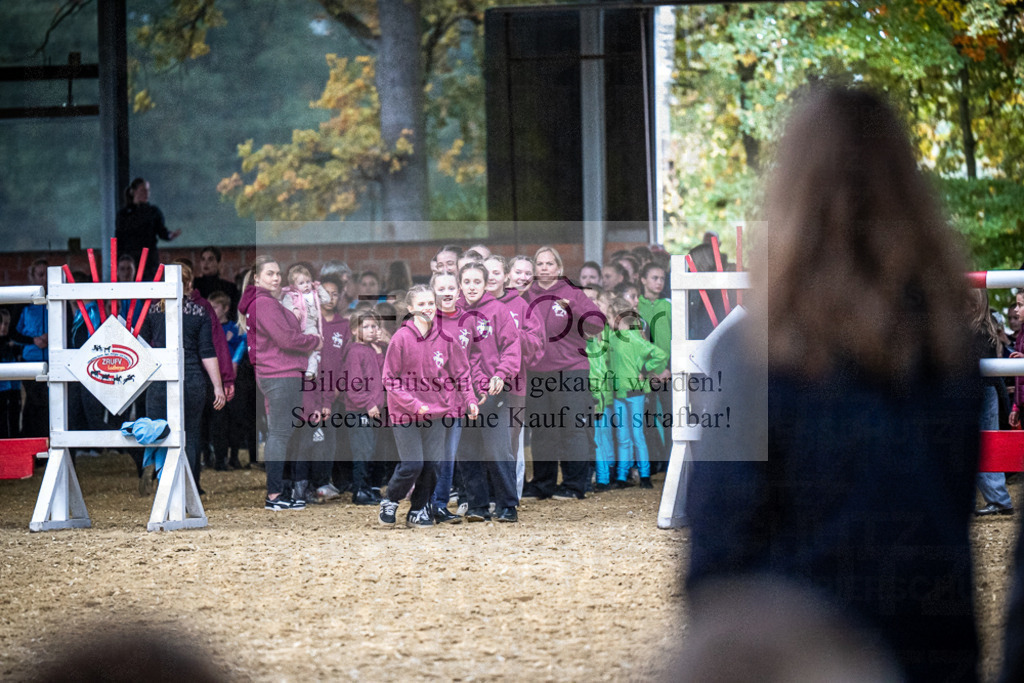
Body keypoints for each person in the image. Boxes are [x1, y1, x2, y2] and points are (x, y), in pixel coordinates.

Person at [685, 86, 981, 682]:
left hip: (799, 656)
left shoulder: (751, 355)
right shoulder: (952, 350)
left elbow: (717, 560)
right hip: (935, 654)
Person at [378, 286, 478, 528]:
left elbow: (461, 372)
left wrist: (470, 400)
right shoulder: (401, 338)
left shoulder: (446, 338)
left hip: (437, 411)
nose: (427, 309)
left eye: (430, 303)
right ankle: (390, 500)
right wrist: (413, 404)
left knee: (433, 465)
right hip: (405, 413)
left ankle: (418, 509)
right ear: (411, 309)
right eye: (421, 304)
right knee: (413, 464)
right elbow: (389, 379)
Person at [238, 256, 322, 510]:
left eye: (278, 274)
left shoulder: (265, 303)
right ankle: (274, 494)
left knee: (282, 433)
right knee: (280, 433)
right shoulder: (264, 304)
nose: (276, 278)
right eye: (270, 273)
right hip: (280, 373)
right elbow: (287, 340)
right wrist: (313, 341)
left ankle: (278, 491)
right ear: (256, 278)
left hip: (278, 372)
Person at [522, 246, 605, 500]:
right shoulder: (525, 296)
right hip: (537, 371)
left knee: (572, 428)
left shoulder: (573, 293)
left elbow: (598, 322)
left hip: (571, 370)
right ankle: (542, 483)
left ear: (559, 268)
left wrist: (574, 309)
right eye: (539, 263)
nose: (544, 267)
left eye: (549, 263)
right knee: (542, 429)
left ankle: (574, 484)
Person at [140, 263, 226, 496]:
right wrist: (218, 386)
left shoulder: (152, 312)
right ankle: (188, 485)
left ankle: (161, 482)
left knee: (158, 431)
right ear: (189, 284)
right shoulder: (199, 312)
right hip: (192, 379)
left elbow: (143, 346)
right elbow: (207, 351)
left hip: (159, 379)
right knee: (190, 433)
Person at [454, 260, 521, 523]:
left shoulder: (498, 311)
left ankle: (507, 505)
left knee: (497, 449)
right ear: (460, 284)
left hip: (492, 390)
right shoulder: (453, 313)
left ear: (485, 284)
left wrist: (501, 374)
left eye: (477, 282)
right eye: (467, 282)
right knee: (467, 451)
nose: (471, 287)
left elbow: (511, 348)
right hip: (462, 393)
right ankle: (477, 505)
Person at [485, 255, 543, 497]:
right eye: (486, 273)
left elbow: (537, 346)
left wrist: (514, 333)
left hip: (514, 384)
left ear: (505, 276)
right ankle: (482, 495)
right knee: (481, 439)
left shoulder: (521, 305)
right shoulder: (473, 305)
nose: (490, 278)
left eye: (496, 273)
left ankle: (509, 495)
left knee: (511, 439)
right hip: (482, 383)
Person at [606, 298, 668, 489]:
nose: (606, 321)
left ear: (617, 318)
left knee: (637, 435)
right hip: (620, 393)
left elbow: (660, 354)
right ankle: (623, 477)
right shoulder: (613, 337)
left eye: (608, 317)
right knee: (623, 437)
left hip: (635, 392)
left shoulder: (634, 338)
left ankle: (645, 475)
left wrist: (645, 368)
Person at [115, 178, 180, 281]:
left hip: (149, 260)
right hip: (130, 257)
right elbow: (119, 236)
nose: (146, 193)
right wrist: (120, 258)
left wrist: (170, 235)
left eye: (147, 190)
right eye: (143, 190)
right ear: (133, 192)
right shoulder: (124, 214)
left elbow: (161, 231)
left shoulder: (153, 212)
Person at [280, 264, 329, 380]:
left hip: (311, 326)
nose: (306, 285)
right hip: (297, 327)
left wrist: (319, 288)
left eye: (308, 281)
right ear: (293, 285)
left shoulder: (314, 294)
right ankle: (302, 368)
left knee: (312, 348)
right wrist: (294, 309)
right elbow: (285, 305)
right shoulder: (292, 295)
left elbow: (327, 299)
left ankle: (311, 370)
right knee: (301, 349)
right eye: (301, 283)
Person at [194, 246, 241, 316]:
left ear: (218, 263)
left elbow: (233, 313)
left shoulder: (229, 288)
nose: (206, 263)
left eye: (210, 259)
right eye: (203, 259)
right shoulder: (193, 285)